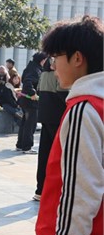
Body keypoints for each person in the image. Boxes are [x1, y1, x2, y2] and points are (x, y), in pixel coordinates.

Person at [36, 15, 103, 235]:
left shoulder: (84, 108)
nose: (53, 66)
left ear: (78, 58)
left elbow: (81, 185)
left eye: (56, 57)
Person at [33, 58, 68, 201]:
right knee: (58, 155)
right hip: (57, 117)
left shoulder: (43, 74)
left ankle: (40, 190)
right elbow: (63, 95)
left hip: (45, 118)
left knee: (44, 154)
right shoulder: (57, 75)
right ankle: (55, 190)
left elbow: (40, 93)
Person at [16, 52, 47, 154]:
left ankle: (20, 145)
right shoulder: (35, 70)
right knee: (30, 124)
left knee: (25, 123)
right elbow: (28, 82)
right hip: (30, 102)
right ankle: (27, 147)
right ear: (42, 60)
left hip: (25, 102)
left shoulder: (30, 67)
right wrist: (32, 93)